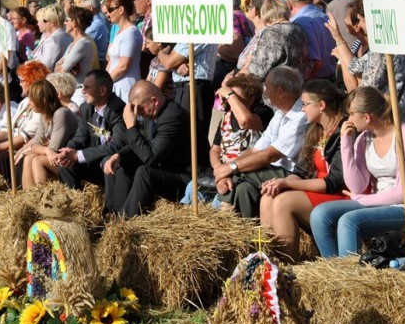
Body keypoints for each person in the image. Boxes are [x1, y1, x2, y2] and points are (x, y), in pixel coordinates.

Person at [310, 86, 405, 257]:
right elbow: (357, 186)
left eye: (351, 114)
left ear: (367, 117)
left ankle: (351, 278)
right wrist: (346, 142)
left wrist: (363, 200)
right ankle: (335, 274)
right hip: (376, 202)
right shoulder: (363, 139)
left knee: (349, 221)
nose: (348, 118)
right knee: (320, 214)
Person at [259, 80, 347, 263]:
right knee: (269, 195)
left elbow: (334, 181)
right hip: (319, 190)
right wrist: (278, 183)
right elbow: (300, 170)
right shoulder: (314, 129)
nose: (302, 109)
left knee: (284, 202)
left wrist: (288, 183)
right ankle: (268, 266)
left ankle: (286, 266)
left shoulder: (343, 131)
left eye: (306, 104)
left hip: (340, 194)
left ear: (321, 105)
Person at [102, 80, 206, 217]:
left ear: (154, 101)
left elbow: (150, 158)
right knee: (125, 164)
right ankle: (114, 214)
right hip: (167, 168)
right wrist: (119, 156)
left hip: (187, 178)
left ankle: (125, 222)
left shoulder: (173, 116)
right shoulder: (153, 112)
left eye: (139, 109)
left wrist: (130, 127)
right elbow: (143, 143)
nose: (138, 114)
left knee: (144, 172)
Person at [215, 66, 307, 218]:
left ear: (279, 92)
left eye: (267, 87)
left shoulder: (301, 117)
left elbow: (271, 155)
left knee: (237, 175)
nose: (265, 92)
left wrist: (229, 169)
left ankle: (220, 218)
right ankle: (248, 234)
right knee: (244, 188)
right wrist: (225, 169)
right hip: (273, 170)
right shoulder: (279, 114)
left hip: (292, 175)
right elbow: (255, 150)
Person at [326, 0, 405, 128]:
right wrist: (337, 36)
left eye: (362, 20)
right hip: (402, 115)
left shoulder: (383, 48)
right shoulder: (390, 41)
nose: (363, 26)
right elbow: (355, 66)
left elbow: (365, 89)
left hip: (394, 121)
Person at [181, 73, 271, 205]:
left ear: (251, 99)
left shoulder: (263, 113)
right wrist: (219, 169)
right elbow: (215, 149)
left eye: (235, 96)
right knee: (191, 187)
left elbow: (246, 121)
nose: (229, 99)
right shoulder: (226, 117)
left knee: (220, 201)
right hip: (222, 171)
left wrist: (229, 94)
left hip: (244, 171)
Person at [0, 61, 49, 183]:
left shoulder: (40, 106)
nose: (20, 84)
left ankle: (2, 192)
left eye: (22, 80)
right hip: (13, 144)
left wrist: (0, 146)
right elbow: (9, 130)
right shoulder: (24, 102)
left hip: (24, 147)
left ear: (32, 82)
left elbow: (25, 136)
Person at [157, 0, 217, 131]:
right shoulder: (190, 26)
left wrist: (160, 54)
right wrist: (177, 64)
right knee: (184, 136)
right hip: (185, 88)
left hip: (194, 88)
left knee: (195, 138)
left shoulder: (201, 25)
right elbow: (174, 61)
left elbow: (169, 61)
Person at [56, 69, 126, 189]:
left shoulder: (118, 110)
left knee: (107, 160)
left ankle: (111, 207)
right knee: (66, 163)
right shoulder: (86, 108)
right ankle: (72, 203)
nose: (83, 91)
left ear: (102, 91)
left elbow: (117, 145)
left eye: (87, 87)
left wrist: (78, 155)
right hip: (93, 162)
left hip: (115, 165)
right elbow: (80, 136)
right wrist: (68, 150)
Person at [16, 80, 78, 189]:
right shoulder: (45, 115)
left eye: (31, 100)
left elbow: (54, 149)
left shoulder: (61, 114)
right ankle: (28, 199)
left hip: (72, 162)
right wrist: (45, 149)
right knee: (28, 158)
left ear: (43, 101)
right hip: (59, 158)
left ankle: (43, 200)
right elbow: (36, 143)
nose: (29, 103)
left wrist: (46, 148)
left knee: (37, 160)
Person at [245, 0, 311, 81]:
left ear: (265, 13)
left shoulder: (273, 32)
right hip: (297, 84)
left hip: (277, 87)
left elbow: (257, 71)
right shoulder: (299, 29)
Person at [286, 0, 336, 80]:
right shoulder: (324, 16)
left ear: (289, 5)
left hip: (315, 82)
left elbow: (316, 62)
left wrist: (307, 85)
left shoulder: (301, 22)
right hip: (330, 77)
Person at [209, 0, 253, 89]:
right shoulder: (243, 17)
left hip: (230, 71)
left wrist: (211, 46)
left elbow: (236, 51)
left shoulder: (230, 18)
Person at [54, 6, 98, 106]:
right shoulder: (72, 44)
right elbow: (56, 67)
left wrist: (61, 66)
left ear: (74, 22)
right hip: (71, 92)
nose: (65, 23)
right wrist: (60, 67)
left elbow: (64, 69)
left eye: (67, 20)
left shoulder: (83, 43)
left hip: (78, 93)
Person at [105, 0, 143, 104]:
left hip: (126, 87)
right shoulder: (119, 32)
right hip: (114, 85)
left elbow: (123, 66)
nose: (108, 14)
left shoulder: (131, 33)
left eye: (111, 10)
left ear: (121, 10)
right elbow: (111, 61)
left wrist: (105, 83)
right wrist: (104, 79)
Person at [236, 0, 274, 73]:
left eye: (249, 7)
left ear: (256, 10)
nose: (248, 10)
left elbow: (249, 68)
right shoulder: (259, 32)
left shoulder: (264, 35)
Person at [31, 4, 73, 71]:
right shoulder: (67, 36)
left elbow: (46, 67)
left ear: (52, 22)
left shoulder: (53, 40)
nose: (40, 23)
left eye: (44, 20)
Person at [78, 0, 109, 68]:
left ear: (90, 8)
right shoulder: (95, 23)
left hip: (96, 65)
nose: (81, 12)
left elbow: (80, 41)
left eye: (82, 9)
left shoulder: (95, 26)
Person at [144, 27, 174, 99]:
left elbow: (158, 87)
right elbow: (147, 83)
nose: (146, 46)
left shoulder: (165, 60)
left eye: (148, 43)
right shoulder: (154, 60)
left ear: (158, 43)